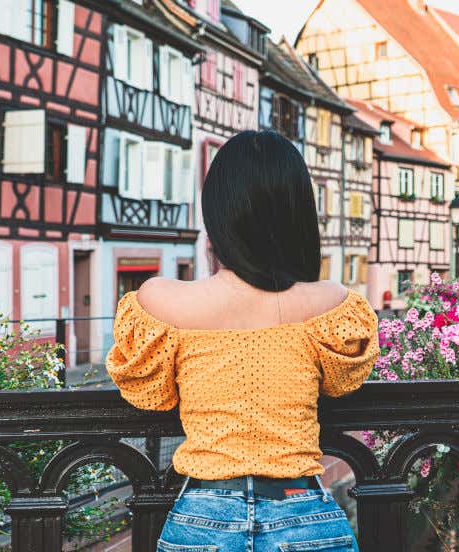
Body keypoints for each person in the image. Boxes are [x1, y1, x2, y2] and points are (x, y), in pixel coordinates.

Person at [107, 130, 378, 551]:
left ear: (217, 212)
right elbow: (344, 382)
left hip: (203, 517)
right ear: (298, 213)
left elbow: (150, 394)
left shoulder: (160, 302)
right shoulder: (331, 303)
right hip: (302, 509)